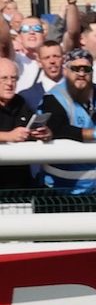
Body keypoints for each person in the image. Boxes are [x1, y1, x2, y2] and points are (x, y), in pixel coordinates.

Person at [38, 47, 96, 200]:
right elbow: (58, 129)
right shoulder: (53, 97)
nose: (81, 73)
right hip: (63, 193)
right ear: (65, 71)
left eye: (86, 69)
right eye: (75, 69)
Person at [0, 54, 52, 202]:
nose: (10, 83)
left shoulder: (21, 102)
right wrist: (8, 136)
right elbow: (12, 136)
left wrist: (45, 133)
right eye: (4, 78)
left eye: (13, 78)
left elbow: (32, 127)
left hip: (21, 186)